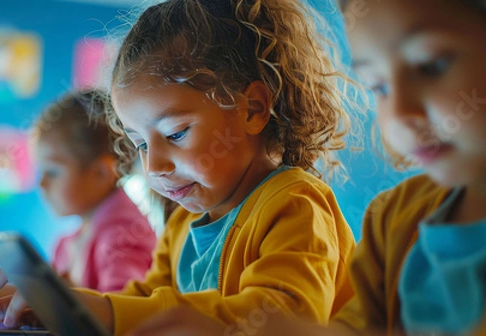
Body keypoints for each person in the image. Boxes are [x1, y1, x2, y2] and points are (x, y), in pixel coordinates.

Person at [0, 0, 362, 334]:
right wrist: (64, 307)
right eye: (139, 142)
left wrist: (106, 312)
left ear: (253, 109)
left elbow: (281, 317)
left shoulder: (295, 205)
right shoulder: (181, 226)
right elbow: (143, 300)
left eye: (175, 134)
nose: (152, 165)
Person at [125, 0, 486, 335]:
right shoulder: (391, 220)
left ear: (253, 109)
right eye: (379, 86)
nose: (401, 113)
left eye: (431, 65)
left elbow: (288, 309)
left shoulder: (295, 202)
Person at [0, 89, 157, 311]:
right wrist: (5, 296)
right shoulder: (69, 242)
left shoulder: (121, 236)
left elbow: (122, 311)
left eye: (53, 172)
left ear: (101, 173)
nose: (42, 184)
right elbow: (71, 297)